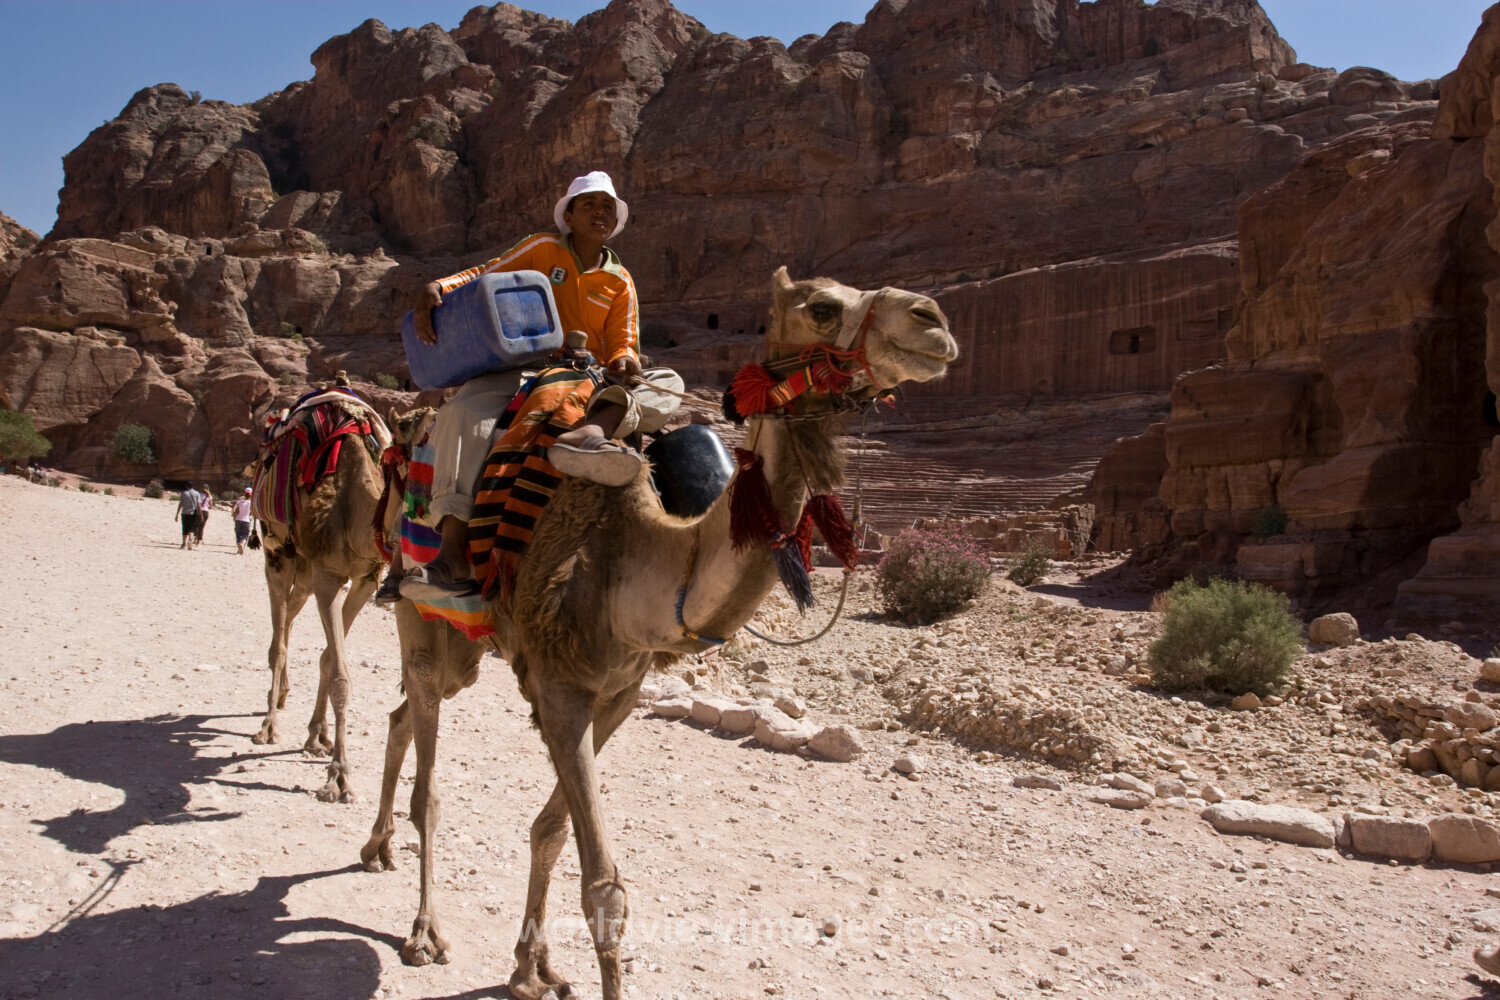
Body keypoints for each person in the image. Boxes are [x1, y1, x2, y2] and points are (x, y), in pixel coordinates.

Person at [381, 171, 682, 604]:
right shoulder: (542, 249)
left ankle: (592, 433)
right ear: (570, 216)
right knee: (463, 411)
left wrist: (625, 362)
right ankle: (451, 553)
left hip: (591, 378)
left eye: (608, 208)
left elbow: (624, 344)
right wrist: (438, 287)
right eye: (591, 205)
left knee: (669, 383)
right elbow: (486, 274)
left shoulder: (621, 282)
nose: (601, 213)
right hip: (525, 367)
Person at [176, 484, 202, 549]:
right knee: (191, 528)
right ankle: (190, 540)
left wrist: (177, 514)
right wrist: (201, 514)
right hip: (193, 513)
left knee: (184, 528)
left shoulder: (184, 493)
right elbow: (198, 505)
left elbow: (181, 504)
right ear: (193, 486)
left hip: (185, 513)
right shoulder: (197, 493)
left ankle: (184, 544)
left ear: (186, 486)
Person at [232, 486, 254, 555]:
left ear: (244, 494)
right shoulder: (251, 503)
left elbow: (233, 509)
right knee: (245, 535)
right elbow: (252, 512)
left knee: (238, 534)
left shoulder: (240, 502)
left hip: (238, 519)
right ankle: (242, 543)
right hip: (246, 520)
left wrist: (233, 516)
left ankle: (239, 546)